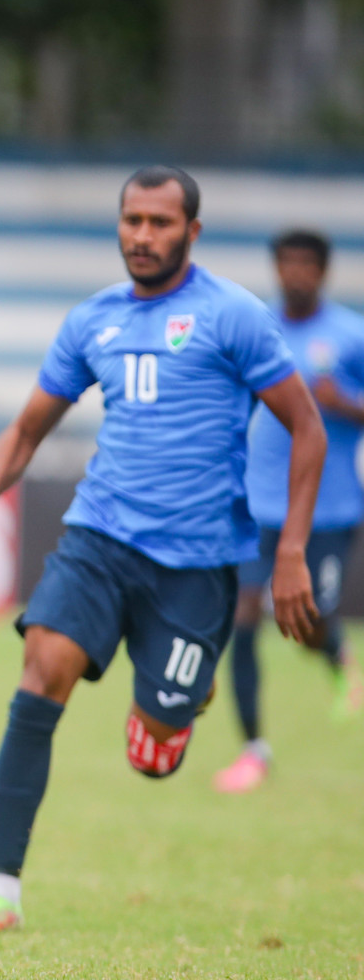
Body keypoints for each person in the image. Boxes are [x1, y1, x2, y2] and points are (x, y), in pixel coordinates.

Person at [0, 166, 325, 933]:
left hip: (197, 564)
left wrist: (289, 554)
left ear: (192, 231)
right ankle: (0, 892)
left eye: (159, 222)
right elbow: (25, 430)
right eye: (132, 221)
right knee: (41, 666)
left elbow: (307, 430)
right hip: (100, 537)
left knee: (154, 752)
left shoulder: (234, 316)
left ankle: (181, 699)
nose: (143, 236)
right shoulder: (94, 322)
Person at [215, 229, 364, 793]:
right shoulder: (257, 329)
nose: (295, 273)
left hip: (329, 509)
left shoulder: (352, 335)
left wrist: (344, 403)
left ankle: (336, 650)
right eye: (286, 262)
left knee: (299, 621)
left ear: (323, 272)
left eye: (306, 263)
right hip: (258, 506)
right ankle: (254, 749)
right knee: (244, 617)